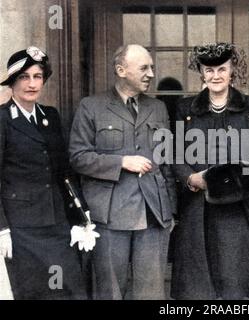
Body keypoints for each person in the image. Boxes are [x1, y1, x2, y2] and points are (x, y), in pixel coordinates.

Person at [171, 42, 249, 300]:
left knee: (235, 278)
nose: (215, 76)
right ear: (201, 73)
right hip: (197, 204)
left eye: (221, 69)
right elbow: (174, 154)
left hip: (237, 203)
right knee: (198, 283)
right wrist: (191, 177)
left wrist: (241, 181)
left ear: (232, 71)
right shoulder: (185, 109)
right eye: (209, 70)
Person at [69, 44, 176, 300]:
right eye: (144, 68)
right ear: (121, 70)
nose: (151, 73)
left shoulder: (158, 108)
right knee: (109, 292)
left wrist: (170, 210)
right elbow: (78, 157)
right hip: (109, 216)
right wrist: (121, 162)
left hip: (153, 214)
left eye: (152, 67)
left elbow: (167, 163)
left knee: (151, 292)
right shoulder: (91, 107)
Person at [0, 47, 86, 299]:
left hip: (56, 221)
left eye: (37, 76)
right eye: (24, 77)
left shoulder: (50, 116)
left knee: (66, 288)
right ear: (13, 82)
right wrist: (2, 228)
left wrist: (80, 214)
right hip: (21, 227)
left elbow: (63, 171)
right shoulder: (2, 119)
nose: (31, 83)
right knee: (33, 292)